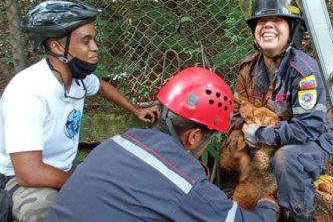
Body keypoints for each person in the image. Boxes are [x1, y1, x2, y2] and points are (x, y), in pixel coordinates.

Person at [46, 67, 279, 222]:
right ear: (194, 137)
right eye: (210, 138)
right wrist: (268, 207)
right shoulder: (182, 180)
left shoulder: (116, 142)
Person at [0, 0, 160, 221]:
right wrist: (83, 183)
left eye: (94, 39)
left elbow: (102, 86)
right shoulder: (28, 91)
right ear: (57, 47)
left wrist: (135, 110)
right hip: (17, 179)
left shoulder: (78, 78)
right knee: (48, 213)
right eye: (86, 41)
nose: (95, 47)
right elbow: (29, 173)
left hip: (64, 170)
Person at [231, 0, 333, 221]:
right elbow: (238, 107)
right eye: (261, 21)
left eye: (277, 20)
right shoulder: (248, 67)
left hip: (312, 139)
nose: (267, 25)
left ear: (292, 30)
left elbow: (307, 129)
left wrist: (260, 134)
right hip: (266, 134)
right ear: (254, 31)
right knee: (231, 151)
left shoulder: (303, 71)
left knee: (287, 158)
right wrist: (236, 135)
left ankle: (298, 214)